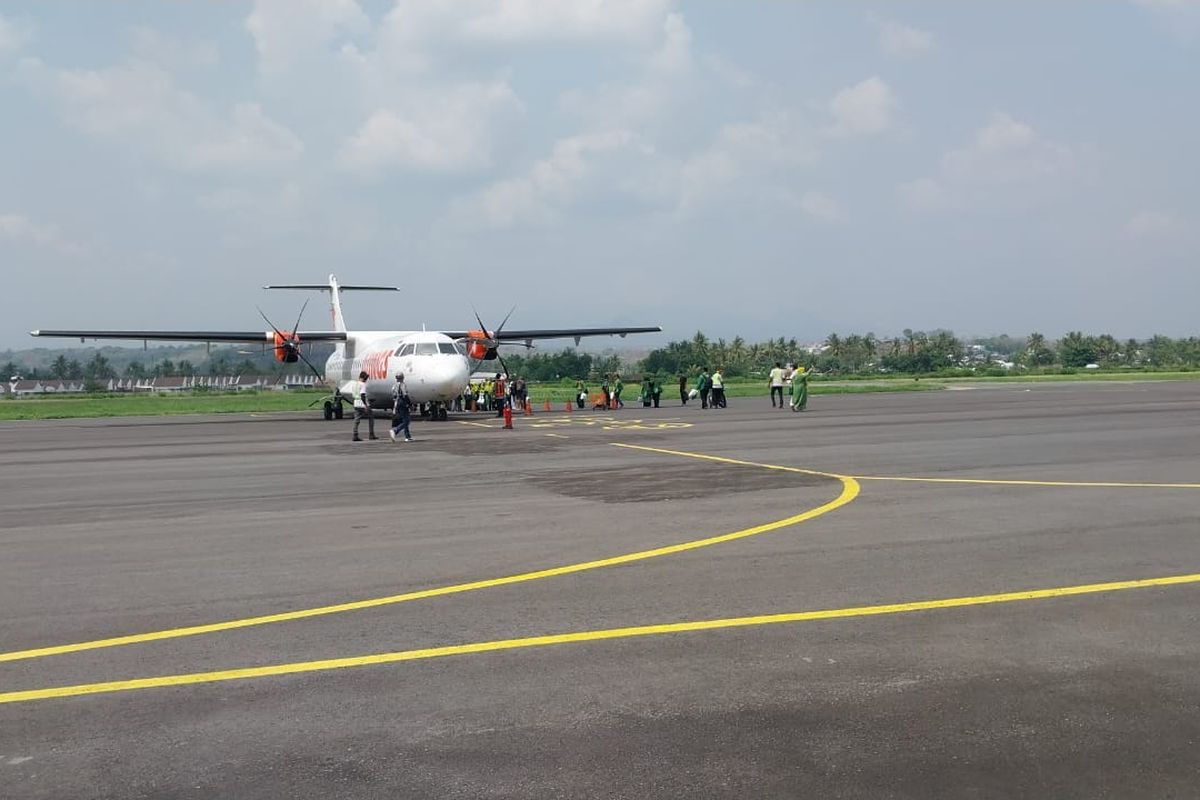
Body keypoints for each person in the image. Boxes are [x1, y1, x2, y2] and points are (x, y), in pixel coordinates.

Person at [350, 370, 377, 441]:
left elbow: (353, 394)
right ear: (363, 378)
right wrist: (366, 405)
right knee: (371, 417)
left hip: (356, 402)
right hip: (362, 403)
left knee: (356, 420)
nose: (366, 380)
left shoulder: (354, 384)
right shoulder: (363, 384)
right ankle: (371, 434)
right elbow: (362, 395)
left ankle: (355, 435)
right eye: (365, 378)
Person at [389, 373, 413, 442]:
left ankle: (407, 436)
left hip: (397, 403)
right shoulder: (402, 385)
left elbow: (394, 396)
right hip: (403, 402)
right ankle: (395, 430)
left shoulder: (394, 385)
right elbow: (405, 395)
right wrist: (410, 404)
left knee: (404, 419)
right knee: (407, 420)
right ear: (402, 377)